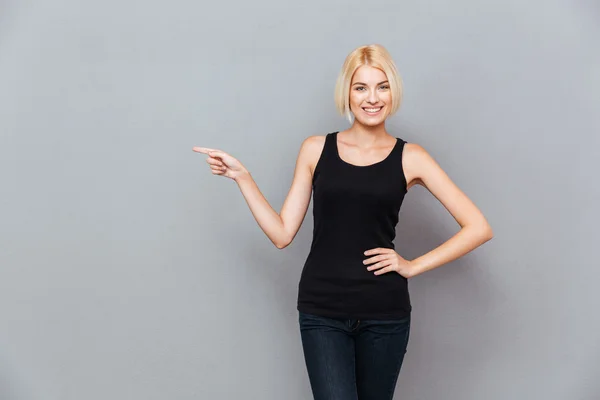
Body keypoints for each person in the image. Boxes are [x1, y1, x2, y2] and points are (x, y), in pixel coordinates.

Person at [193, 44, 494, 400]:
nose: (372, 98)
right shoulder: (315, 149)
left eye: (382, 86)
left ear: (393, 92)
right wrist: (243, 178)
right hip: (323, 311)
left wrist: (412, 265)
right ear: (347, 93)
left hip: (384, 313)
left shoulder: (411, 157)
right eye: (361, 87)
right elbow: (282, 233)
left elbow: (478, 227)